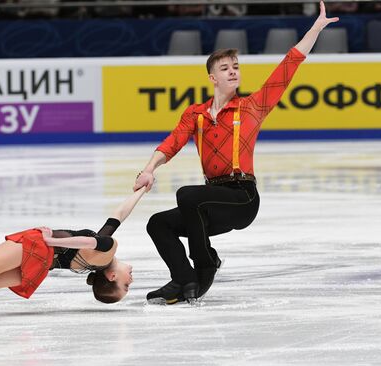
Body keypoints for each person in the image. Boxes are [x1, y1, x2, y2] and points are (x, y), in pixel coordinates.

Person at [134, 1, 339, 305]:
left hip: (242, 198)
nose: (233, 72)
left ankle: (204, 265)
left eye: (236, 67)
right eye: (225, 68)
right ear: (212, 78)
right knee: (157, 223)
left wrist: (315, 29)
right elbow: (172, 143)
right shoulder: (196, 114)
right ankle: (183, 276)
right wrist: (149, 168)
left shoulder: (252, 107)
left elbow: (288, 66)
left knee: (187, 195)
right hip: (209, 203)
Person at [0, 187, 147, 322]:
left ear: (113, 277)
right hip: (40, 268)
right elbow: (117, 217)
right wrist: (140, 191)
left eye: (127, 284)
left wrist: (50, 239)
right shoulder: (93, 265)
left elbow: (88, 240)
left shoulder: (108, 251)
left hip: (38, 245)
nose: (132, 279)